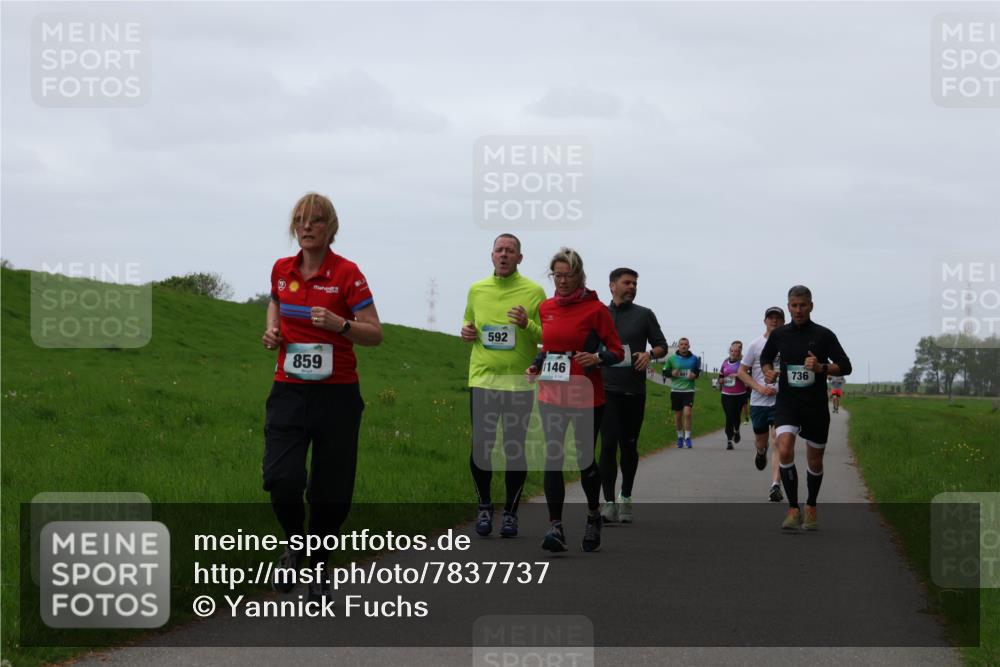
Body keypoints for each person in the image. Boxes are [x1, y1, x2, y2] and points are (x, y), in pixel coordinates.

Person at [261, 192, 383, 600]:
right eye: (299, 220)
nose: (306, 227)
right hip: (289, 391)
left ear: (331, 227)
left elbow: (374, 333)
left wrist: (340, 324)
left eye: (315, 220)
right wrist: (273, 330)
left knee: (330, 491)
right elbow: (276, 302)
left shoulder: (348, 273)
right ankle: (295, 546)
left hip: (337, 396)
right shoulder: (281, 269)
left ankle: (318, 565)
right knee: (282, 479)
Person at [526, 248, 623, 553]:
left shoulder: (596, 310)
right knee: (552, 458)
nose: (563, 280)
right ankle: (555, 527)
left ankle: (594, 514)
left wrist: (597, 357)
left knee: (584, 460)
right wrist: (536, 364)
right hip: (552, 394)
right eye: (557, 274)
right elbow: (550, 347)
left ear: (580, 275)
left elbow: (617, 351)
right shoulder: (546, 308)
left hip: (586, 396)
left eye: (568, 275)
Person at [461, 234, 545, 538]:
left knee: (513, 448)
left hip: (518, 383)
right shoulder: (476, 289)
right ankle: (484, 505)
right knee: (482, 446)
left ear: (520, 258)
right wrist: (466, 332)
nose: (504, 255)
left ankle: (510, 512)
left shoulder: (534, 292)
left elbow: (546, 337)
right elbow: (469, 324)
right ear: (492, 255)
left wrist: (526, 324)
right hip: (483, 378)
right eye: (499, 250)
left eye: (510, 251)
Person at [760, 286, 852, 531]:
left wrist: (821, 367)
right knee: (785, 447)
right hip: (788, 404)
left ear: (811, 306)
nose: (798, 310)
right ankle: (793, 508)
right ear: (788, 306)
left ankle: (811, 506)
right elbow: (766, 358)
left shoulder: (824, 335)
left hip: (814, 406)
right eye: (794, 305)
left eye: (803, 305)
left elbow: (845, 366)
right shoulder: (779, 335)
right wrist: (768, 370)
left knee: (815, 460)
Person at [598, 268, 668, 524]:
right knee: (607, 444)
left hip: (633, 391)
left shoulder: (644, 315)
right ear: (612, 286)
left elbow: (661, 345)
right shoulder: (600, 314)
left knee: (628, 446)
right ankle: (608, 502)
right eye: (627, 283)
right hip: (605, 390)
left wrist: (650, 354)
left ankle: (625, 495)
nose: (632, 287)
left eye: (635, 283)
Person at [737, 307, 786, 502]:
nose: (774, 321)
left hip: (781, 401)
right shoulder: (755, 345)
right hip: (759, 401)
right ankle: (760, 452)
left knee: (778, 441)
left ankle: (775, 485)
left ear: (783, 321)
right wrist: (759, 388)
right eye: (771, 318)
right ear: (764, 321)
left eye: (778, 318)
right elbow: (741, 371)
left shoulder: (788, 343)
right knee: (762, 441)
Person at [662, 338, 701, 448]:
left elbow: (697, 371)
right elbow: (664, 371)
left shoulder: (694, 359)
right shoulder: (672, 359)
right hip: (676, 390)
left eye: (685, 344)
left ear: (689, 346)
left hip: (689, 390)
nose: (683, 346)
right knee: (678, 416)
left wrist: (695, 375)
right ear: (678, 346)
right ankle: (680, 437)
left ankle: (688, 438)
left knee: (688, 413)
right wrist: (671, 373)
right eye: (681, 344)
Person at [718, 341, 748, 450]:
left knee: (736, 416)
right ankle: (729, 440)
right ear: (729, 351)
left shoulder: (743, 363)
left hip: (740, 394)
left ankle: (737, 430)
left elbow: (748, 377)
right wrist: (721, 380)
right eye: (732, 350)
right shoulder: (725, 363)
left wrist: (739, 375)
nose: (734, 353)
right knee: (729, 416)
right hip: (726, 394)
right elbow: (720, 376)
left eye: (736, 351)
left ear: (739, 352)